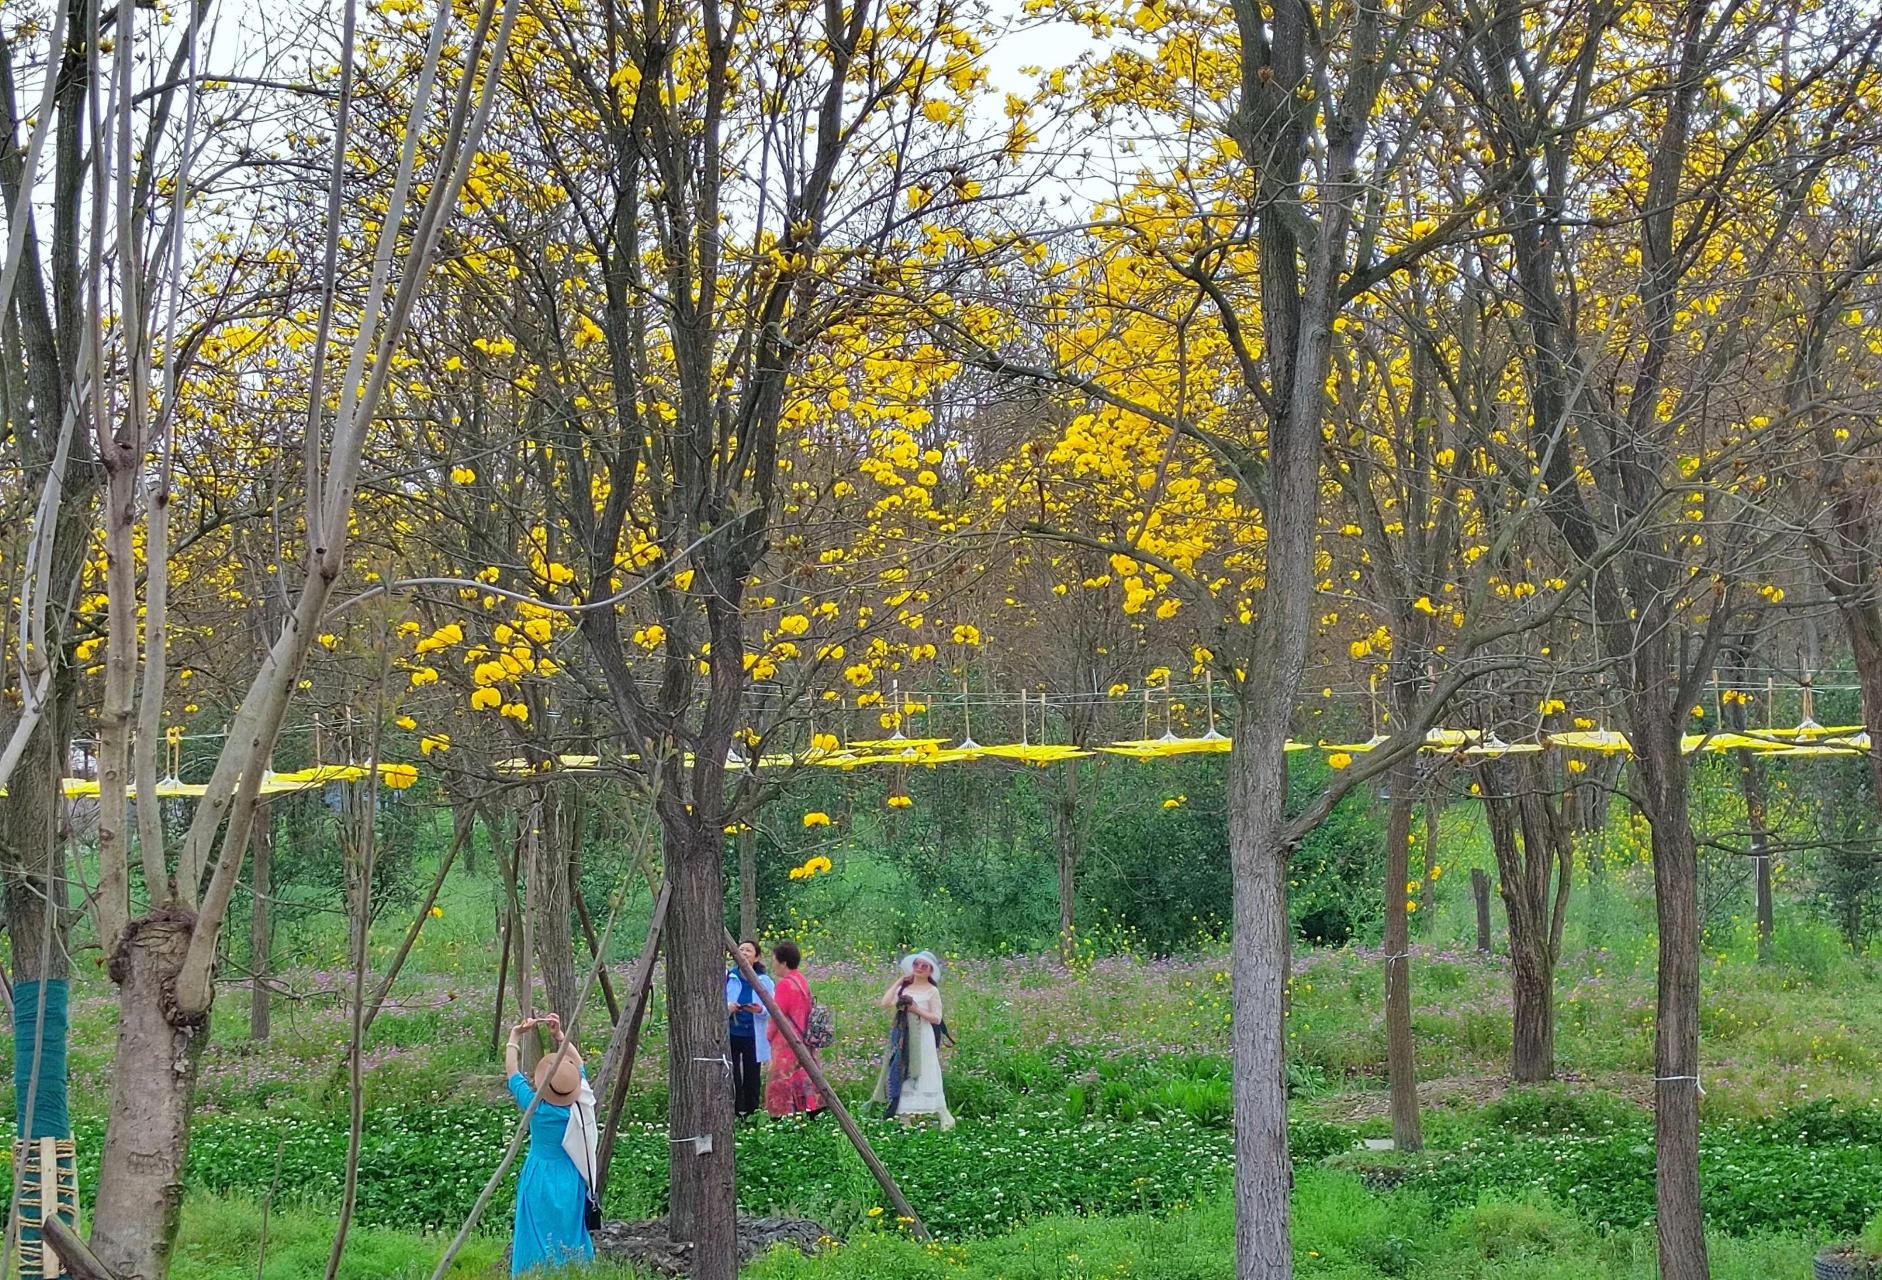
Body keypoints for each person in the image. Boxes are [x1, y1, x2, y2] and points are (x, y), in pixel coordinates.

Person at [504, 1013, 596, 1275]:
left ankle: (534, 1272)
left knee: (535, 1230)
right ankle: (572, 1272)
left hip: (540, 1173)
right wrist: (559, 1035)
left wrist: (514, 1037)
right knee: (570, 1230)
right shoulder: (581, 1105)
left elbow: (513, 1074)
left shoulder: (537, 1108)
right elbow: (579, 1066)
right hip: (570, 1175)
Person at [871, 950, 955, 1130]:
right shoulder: (905, 989)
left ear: (930, 971)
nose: (919, 968)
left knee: (925, 1071)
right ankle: (905, 1116)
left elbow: (936, 1018)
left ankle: (942, 1114)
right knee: (902, 1069)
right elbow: (885, 1002)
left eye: (924, 966)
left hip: (922, 1037)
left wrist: (916, 1010)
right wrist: (899, 981)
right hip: (904, 1036)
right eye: (917, 964)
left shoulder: (932, 991)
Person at [764, 940, 824, 1118]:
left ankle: (782, 1117)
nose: (772, 964)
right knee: (804, 1078)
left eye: (774, 960)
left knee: (781, 1082)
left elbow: (777, 1015)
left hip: (786, 1042)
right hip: (803, 1038)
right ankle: (810, 1112)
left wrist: (769, 1035)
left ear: (783, 962)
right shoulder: (801, 980)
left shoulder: (785, 984)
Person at [726, 939, 774, 1118]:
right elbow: (717, 1004)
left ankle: (752, 1113)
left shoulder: (764, 981)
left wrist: (759, 1009)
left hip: (753, 1034)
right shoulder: (728, 977)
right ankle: (736, 1111)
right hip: (731, 1033)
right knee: (732, 1074)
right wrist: (729, 1008)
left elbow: (771, 1009)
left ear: (757, 957)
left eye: (748, 951)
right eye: (741, 950)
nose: (744, 953)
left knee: (752, 1074)